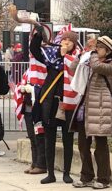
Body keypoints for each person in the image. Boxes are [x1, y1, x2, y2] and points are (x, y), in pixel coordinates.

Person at [70, 36, 112, 189]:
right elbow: (73, 68)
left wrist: (91, 54)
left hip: (102, 109)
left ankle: (104, 179)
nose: (97, 49)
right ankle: (86, 176)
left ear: (108, 51)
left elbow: (98, 67)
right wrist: (81, 55)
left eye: (100, 47)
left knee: (101, 146)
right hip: (86, 108)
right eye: (96, 46)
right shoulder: (91, 59)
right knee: (82, 145)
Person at [30, 29, 80, 184]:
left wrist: (66, 56)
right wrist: (38, 35)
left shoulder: (77, 59)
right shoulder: (52, 56)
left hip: (68, 104)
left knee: (68, 139)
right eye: (64, 39)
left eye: (70, 40)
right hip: (51, 104)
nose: (66, 42)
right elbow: (35, 51)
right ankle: (50, 173)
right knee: (49, 139)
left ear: (74, 44)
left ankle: (66, 173)